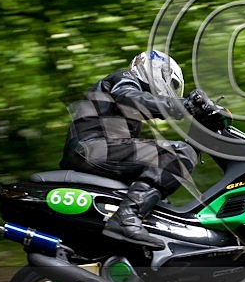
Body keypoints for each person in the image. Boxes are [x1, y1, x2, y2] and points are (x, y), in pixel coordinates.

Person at [60, 50, 203, 250]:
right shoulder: (123, 79)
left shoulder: (130, 107)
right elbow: (129, 97)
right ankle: (126, 218)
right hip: (92, 147)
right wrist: (183, 105)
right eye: (171, 84)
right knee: (178, 152)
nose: (169, 90)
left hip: (97, 149)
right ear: (156, 69)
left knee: (158, 187)